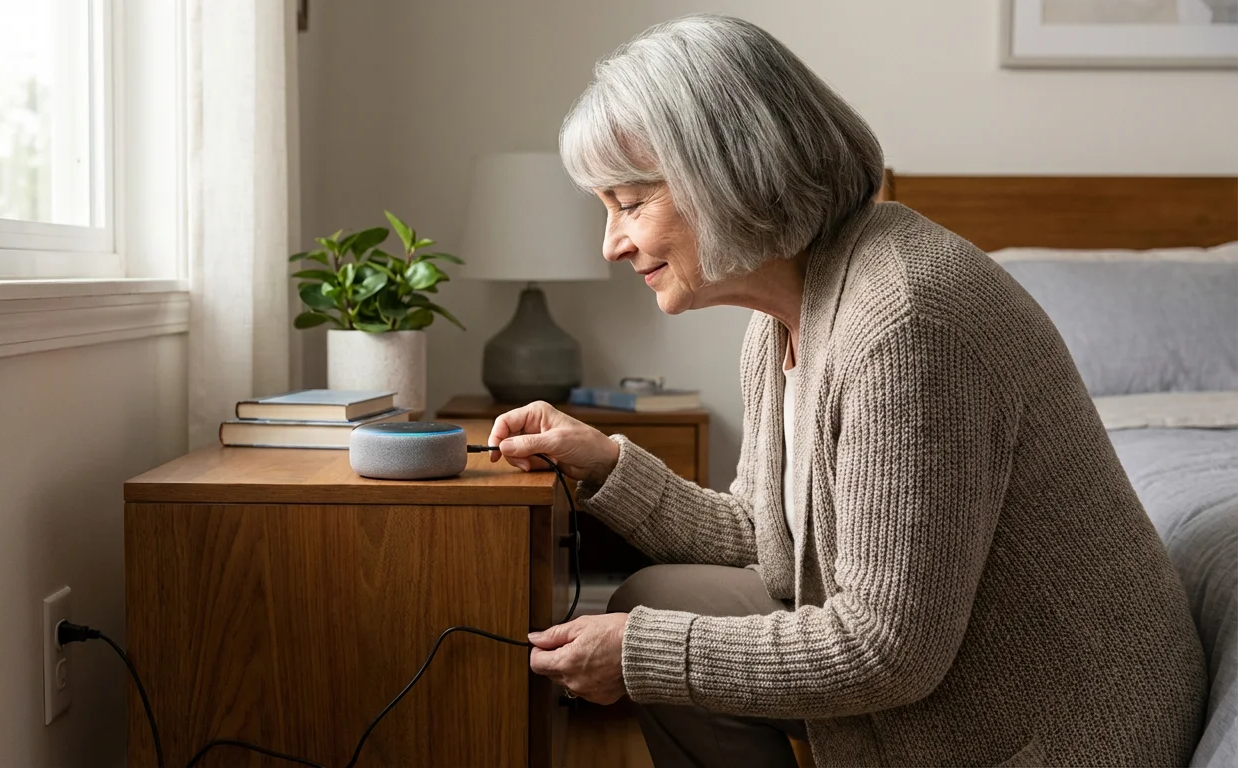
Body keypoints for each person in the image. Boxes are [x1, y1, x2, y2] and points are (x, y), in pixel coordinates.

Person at [487, 14, 1206, 768]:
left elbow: (886, 648)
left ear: (725, 173)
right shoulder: (784, 315)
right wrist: (604, 463)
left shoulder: (908, 320)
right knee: (655, 599)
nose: (612, 243)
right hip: (949, 676)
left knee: (653, 636)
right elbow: (771, 539)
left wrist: (646, 654)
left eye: (631, 204)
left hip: (1053, 734)